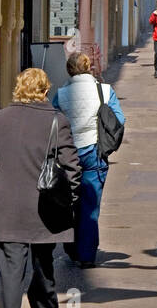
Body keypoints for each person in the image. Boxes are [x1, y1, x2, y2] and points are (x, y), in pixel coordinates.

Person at [0, 67, 81, 308]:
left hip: (9, 209)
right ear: (45, 89)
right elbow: (73, 167)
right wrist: (69, 199)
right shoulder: (56, 121)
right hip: (45, 209)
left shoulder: (0, 119)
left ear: (19, 88)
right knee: (43, 266)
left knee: (11, 274)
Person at [52, 54, 125, 267]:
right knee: (90, 204)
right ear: (89, 68)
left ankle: (71, 248)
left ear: (69, 70)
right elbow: (119, 119)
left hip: (68, 153)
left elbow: (53, 122)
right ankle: (86, 255)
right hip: (94, 150)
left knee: (69, 201)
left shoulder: (62, 94)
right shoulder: (104, 91)